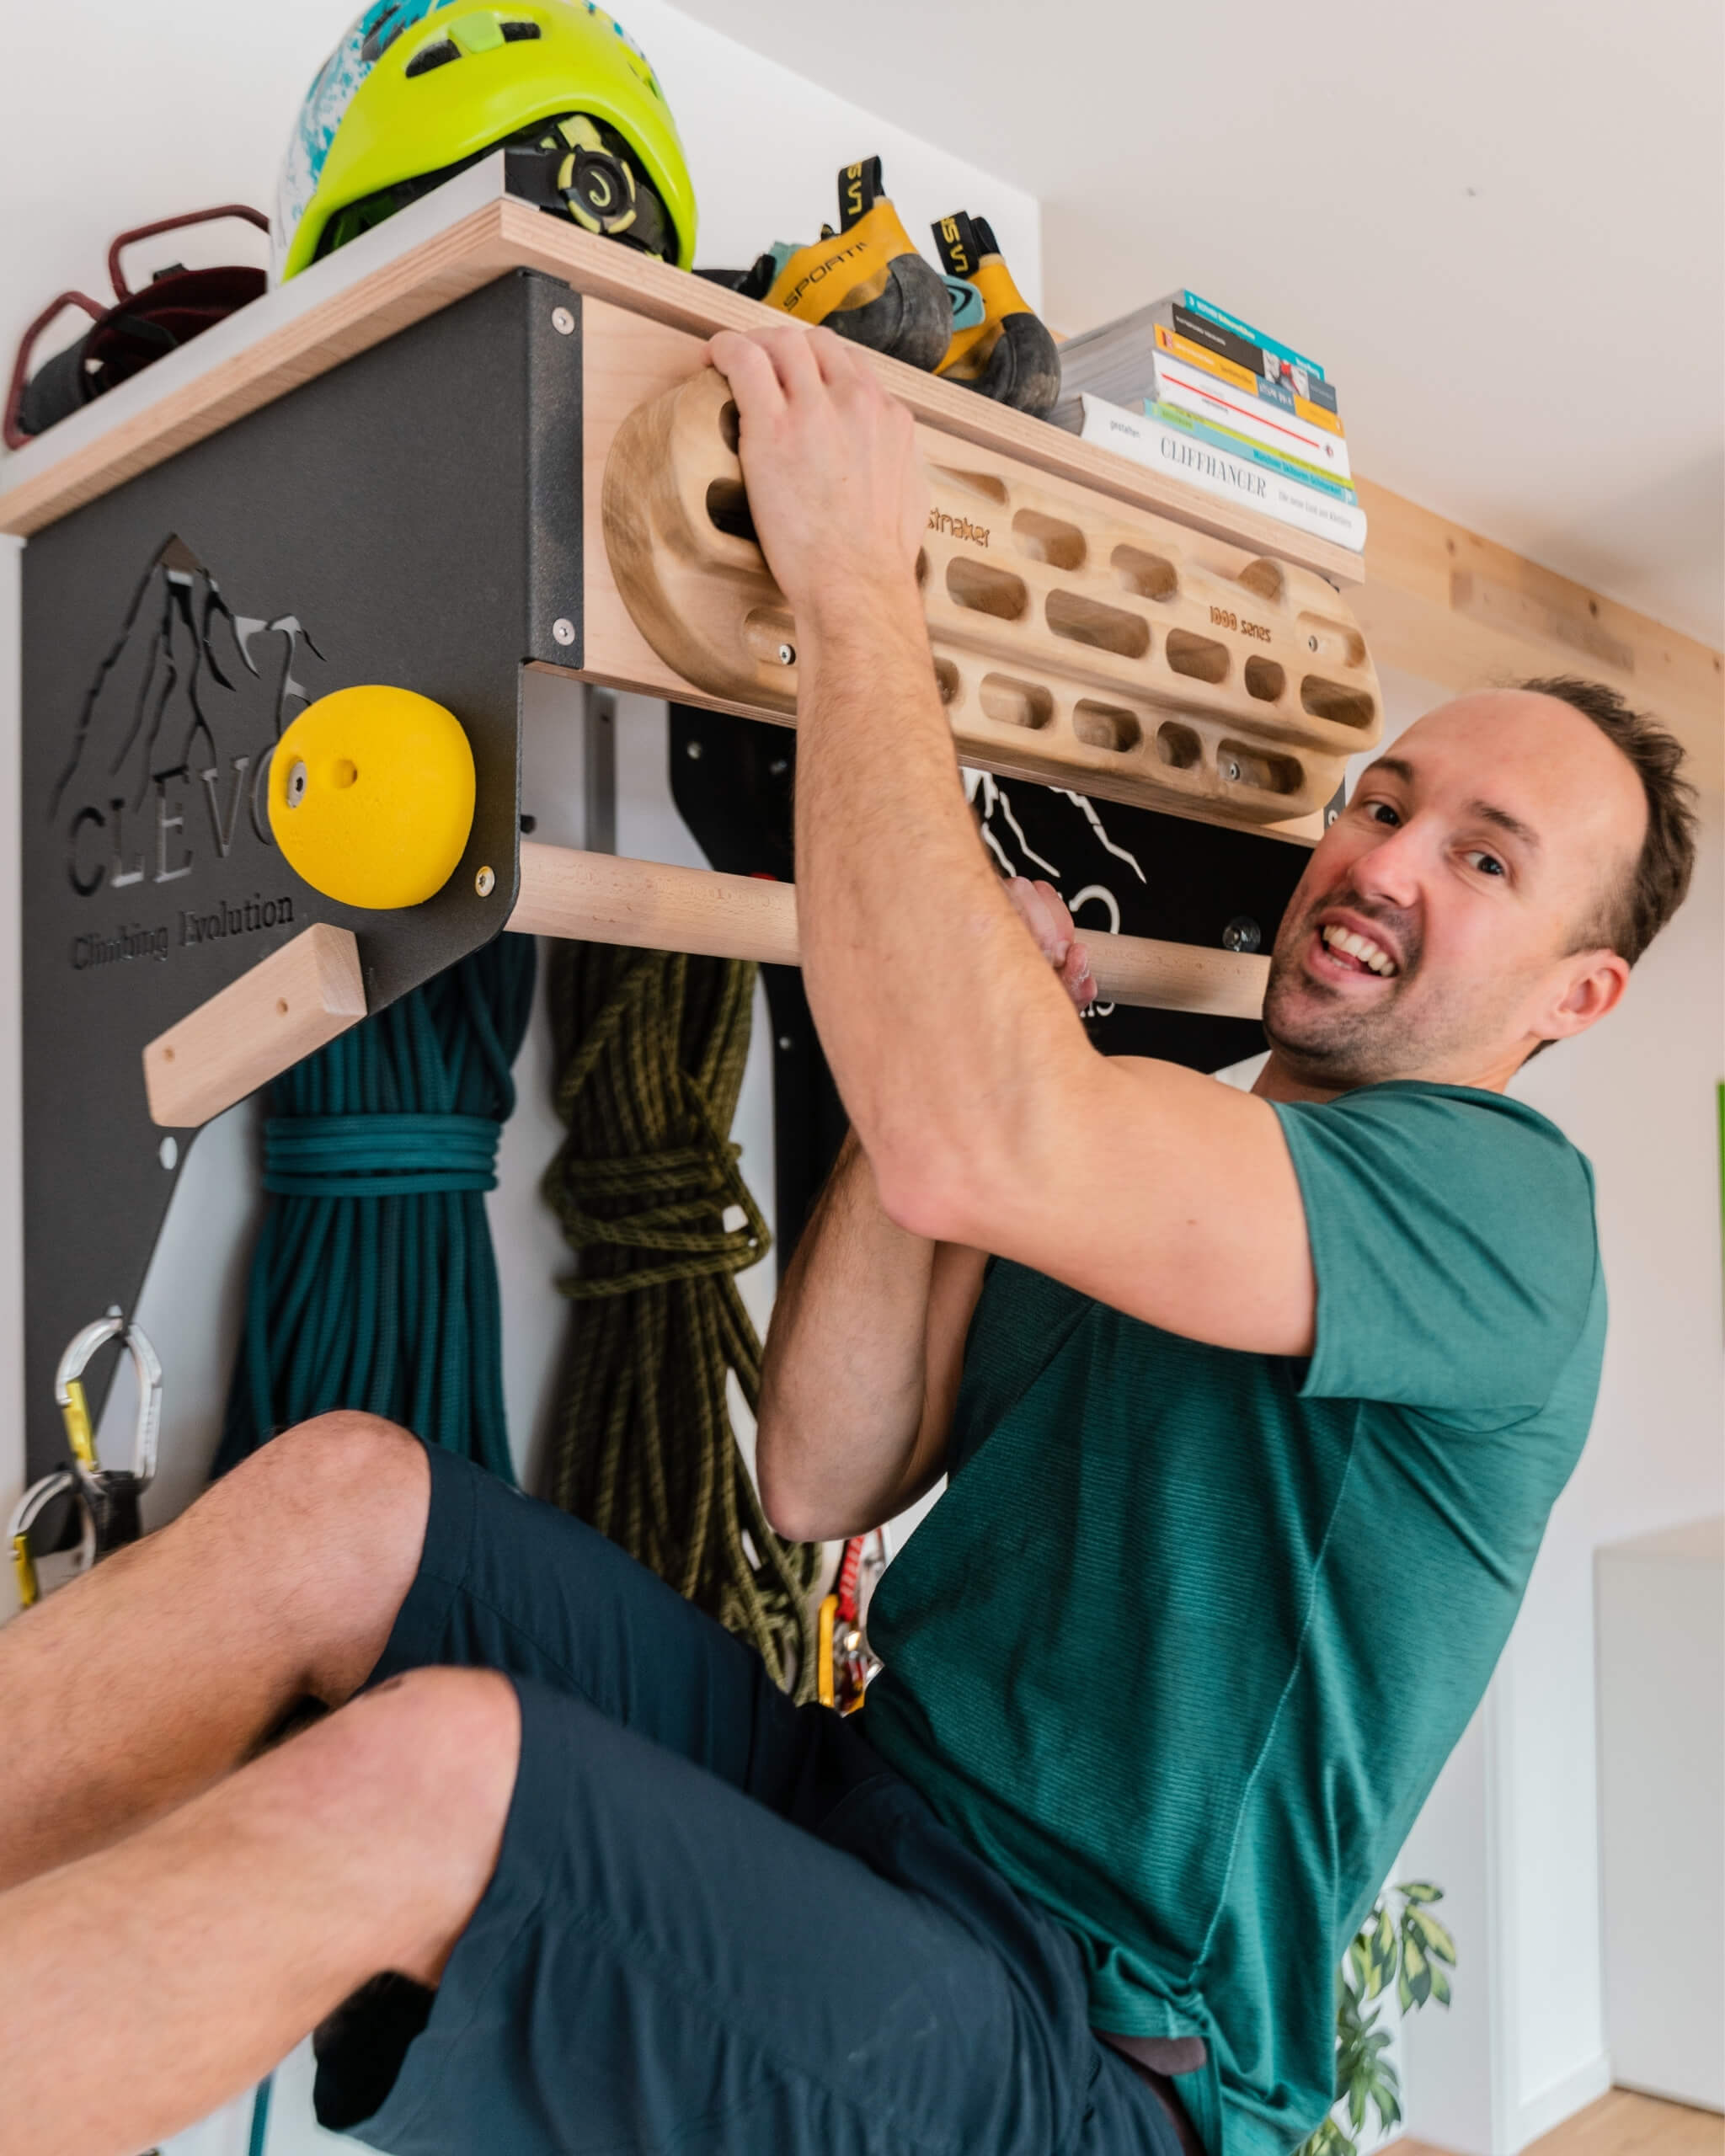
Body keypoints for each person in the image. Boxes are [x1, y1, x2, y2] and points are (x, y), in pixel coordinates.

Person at [0, 325, 1696, 2156]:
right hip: (867, 1799)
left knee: (431, 1784)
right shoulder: (1153, 1142)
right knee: (345, 1505)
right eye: (1384, 801)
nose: (1385, 860)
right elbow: (818, 1469)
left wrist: (854, 591)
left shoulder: (1505, 1210)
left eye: (1485, 861)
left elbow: (986, 1136)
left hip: (1106, 2053)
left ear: (1577, 995)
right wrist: (946, 1064)